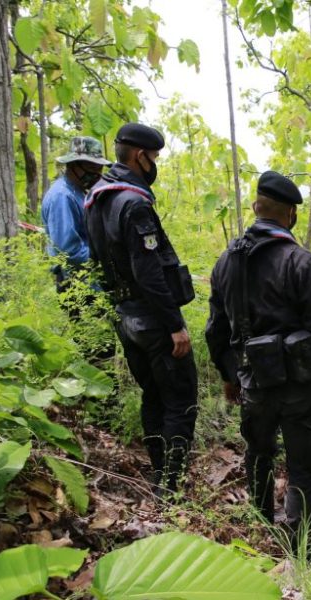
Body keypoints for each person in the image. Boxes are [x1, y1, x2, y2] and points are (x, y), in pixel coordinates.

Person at [205, 171, 311, 542]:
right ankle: (299, 550)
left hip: (254, 382)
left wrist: (230, 375)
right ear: (291, 215)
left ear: (255, 209)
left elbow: (215, 329)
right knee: (302, 465)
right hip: (300, 385)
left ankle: (261, 532)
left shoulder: (225, 263)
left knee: (258, 452)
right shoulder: (301, 262)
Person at [84, 123, 197, 495]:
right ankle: (171, 484)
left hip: (125, 314)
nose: (156, 164)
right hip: (150, 318)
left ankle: (160, 474)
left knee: (153, 393)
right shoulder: (132, 203)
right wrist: (175, 324)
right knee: (180, 397)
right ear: (140, 156)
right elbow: (148, 273)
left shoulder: (97, 197)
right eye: (155, 157)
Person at [41, 136, 110, 296]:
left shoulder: (78, 192)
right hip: (76, 284)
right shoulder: (62, 196)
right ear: (72, 165)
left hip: (89, 281)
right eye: (91, 168)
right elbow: (69, 251)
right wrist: (106, 261)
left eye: (99, 168)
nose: (97, 174)